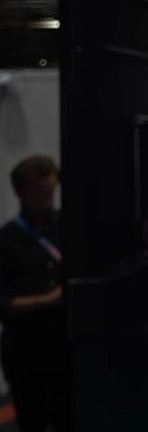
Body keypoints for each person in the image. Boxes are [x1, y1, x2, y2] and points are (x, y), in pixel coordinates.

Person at [0, 155, 68, 432]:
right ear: (20, 193)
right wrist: (48, 300)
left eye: (49, 194)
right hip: (25, 351)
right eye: (38, 196)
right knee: (32, 421)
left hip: (64, 347)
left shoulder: (67, 228)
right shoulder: (6, 241)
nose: (45, 202)